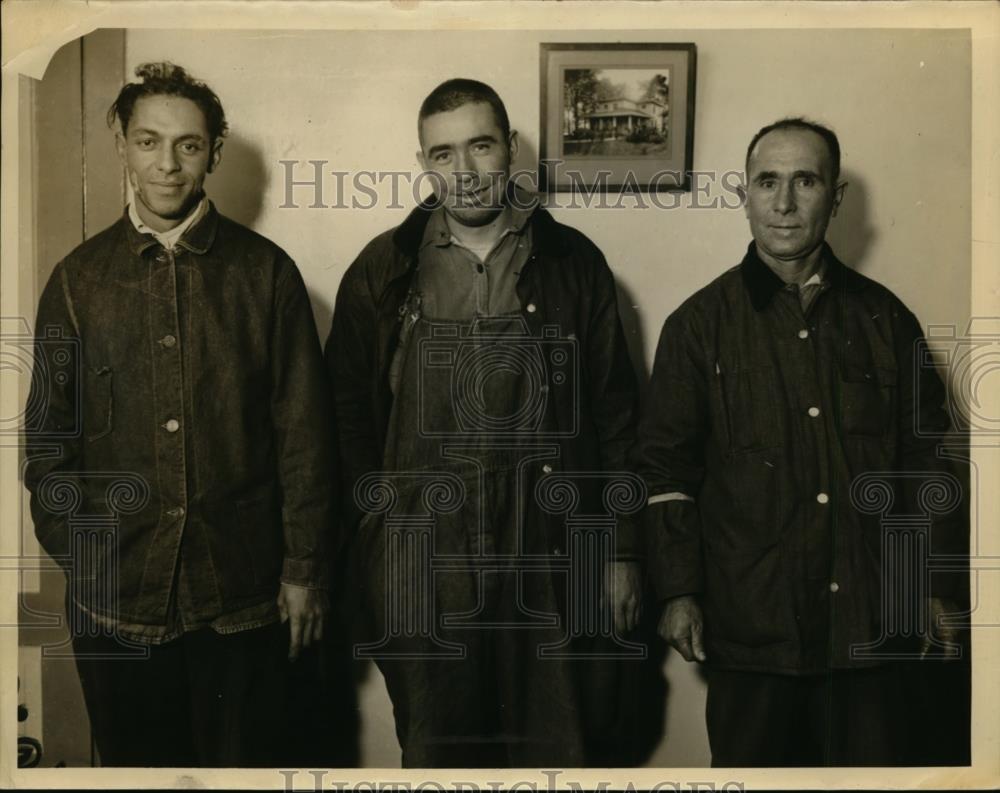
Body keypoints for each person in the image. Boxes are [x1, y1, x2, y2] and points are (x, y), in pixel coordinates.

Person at [23, 62, 336, 767]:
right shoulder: (77, 282)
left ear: (215, 153)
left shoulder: (267, 274)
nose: (167, 164)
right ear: (123, 146)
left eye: (189, 145)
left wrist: (304, 570)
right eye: (148, 141)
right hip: (117, 609)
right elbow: (47, 450)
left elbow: (305, 438)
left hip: (247, 603)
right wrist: (91, 560)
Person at [325, 78, 642, 767]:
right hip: (424, 563)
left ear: (511, 150)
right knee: (441, 754)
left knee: (557, 750)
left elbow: (618, 415)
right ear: (423, 162)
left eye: (480, 146)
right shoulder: (384, 269)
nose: (463, 173)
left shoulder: (572, 262)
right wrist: (375, 539)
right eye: (443, 154)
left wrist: (619, 550)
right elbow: (345, 418)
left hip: (549, 550)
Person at [632, 117, 966, 766]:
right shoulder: (698, 327)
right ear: (745, 194)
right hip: (754, 635)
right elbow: (663, 469)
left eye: (805, 181)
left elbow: (928, 462)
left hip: (870, 630)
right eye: (768, 181)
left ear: (835, 197)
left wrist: (935, 584)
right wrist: (677, 591)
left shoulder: (886, 320)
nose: (784, 203)